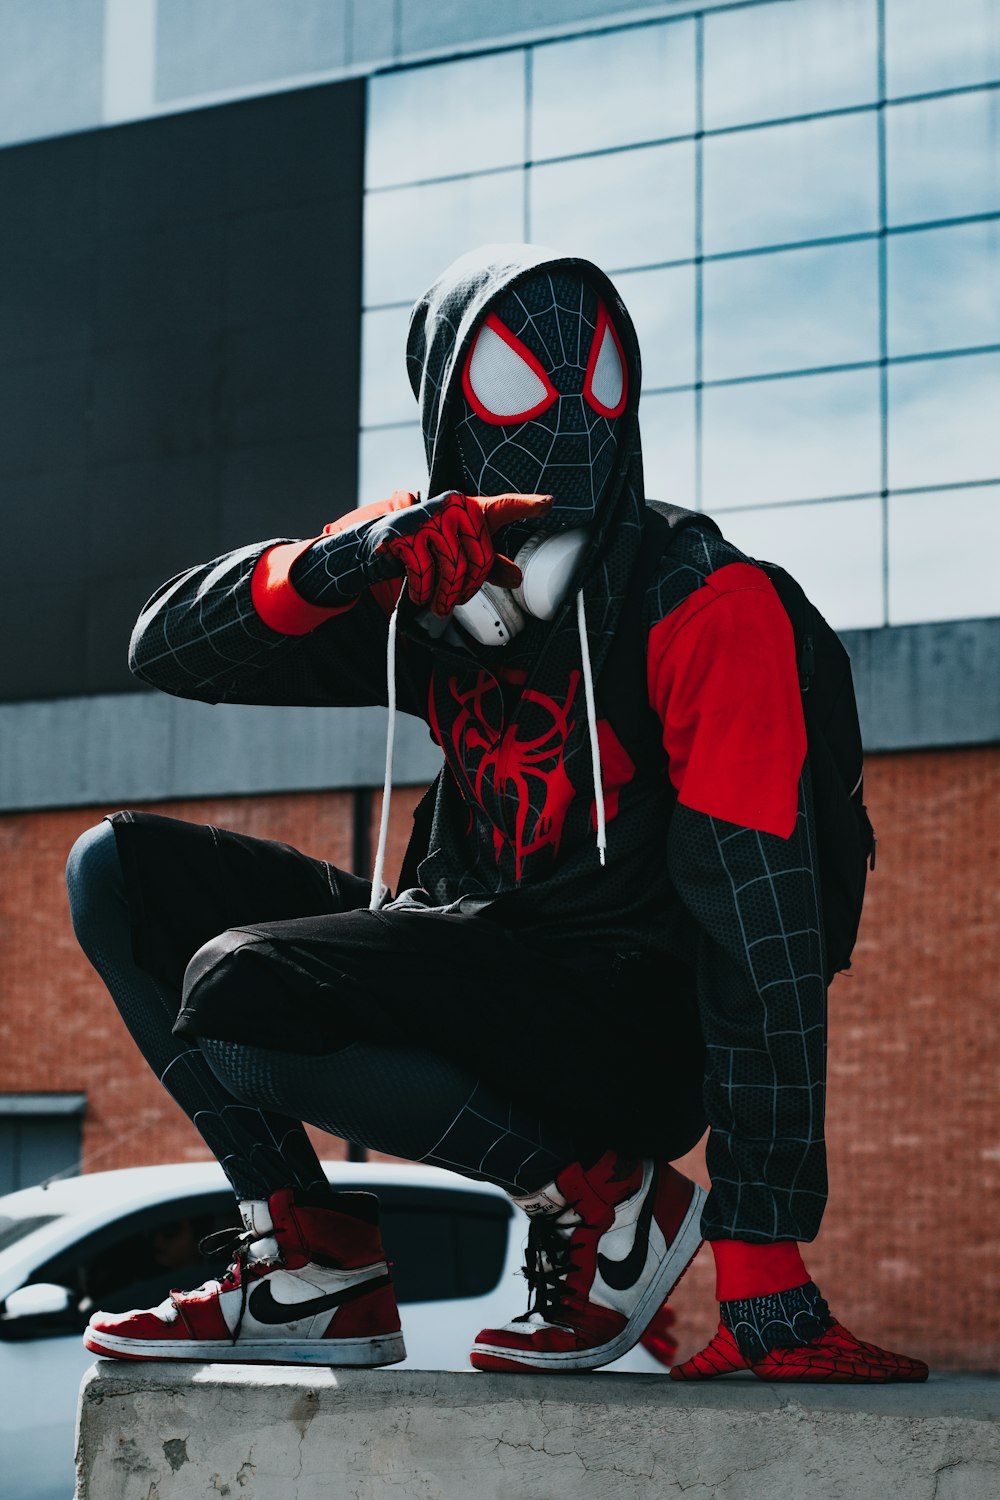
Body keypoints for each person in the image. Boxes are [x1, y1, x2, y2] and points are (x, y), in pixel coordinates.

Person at [67, 244, 926, 1381]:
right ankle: (313, 1264)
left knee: (236, 995)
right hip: (475, 951)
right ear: (446, 407)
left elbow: (762, 939)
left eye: (598, 382)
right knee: (116, 873)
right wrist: (343, 565)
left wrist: (761, 1261)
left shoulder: (709, 607)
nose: (568, 420)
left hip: (627, 1024)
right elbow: (166, 648)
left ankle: (602, 1198)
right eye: (517, 387)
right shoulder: (423, 573)